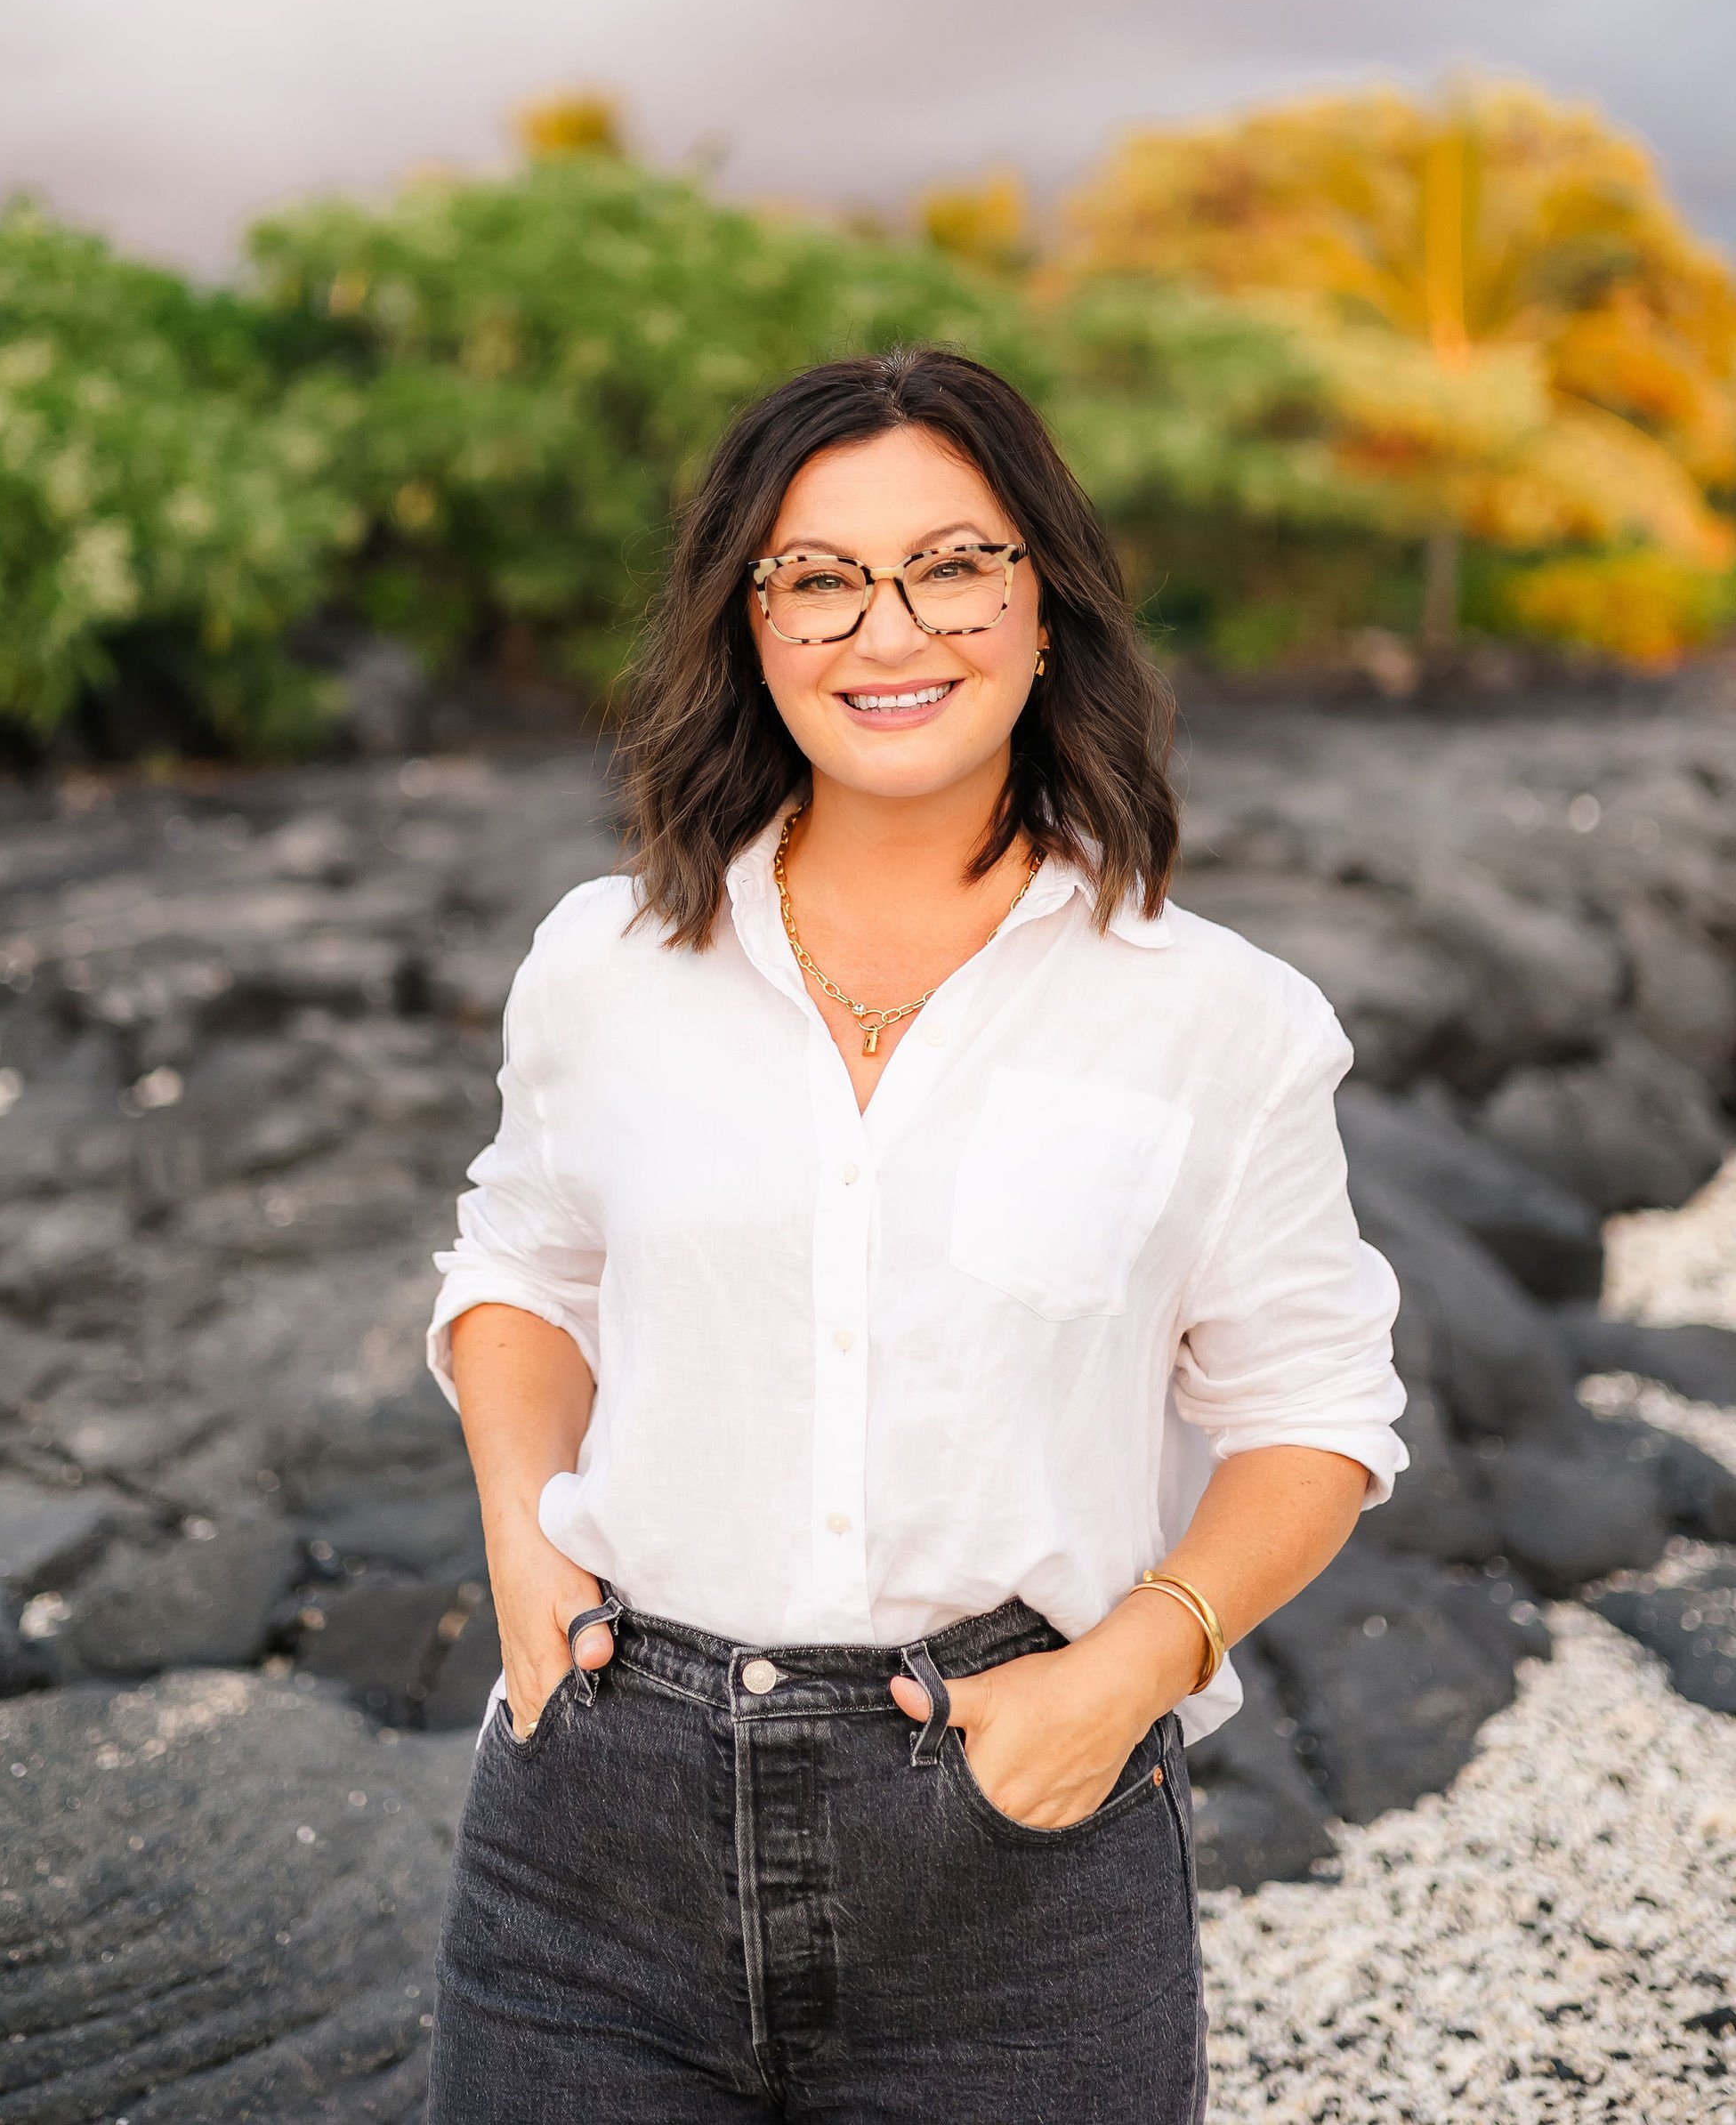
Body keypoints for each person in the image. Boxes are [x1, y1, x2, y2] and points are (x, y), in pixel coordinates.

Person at [424, 347, 1408, 2124]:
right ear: (749, 624)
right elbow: (522, 1265)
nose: (891, 632)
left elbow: (1317, 1416)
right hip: (592, 1836)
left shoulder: (1220, 1019)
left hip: (1014, 1851)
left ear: (1047, 610)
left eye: (954, 565)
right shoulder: (603, 963)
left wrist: (1131, 1672)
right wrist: (516, 1531)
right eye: (819, 577)